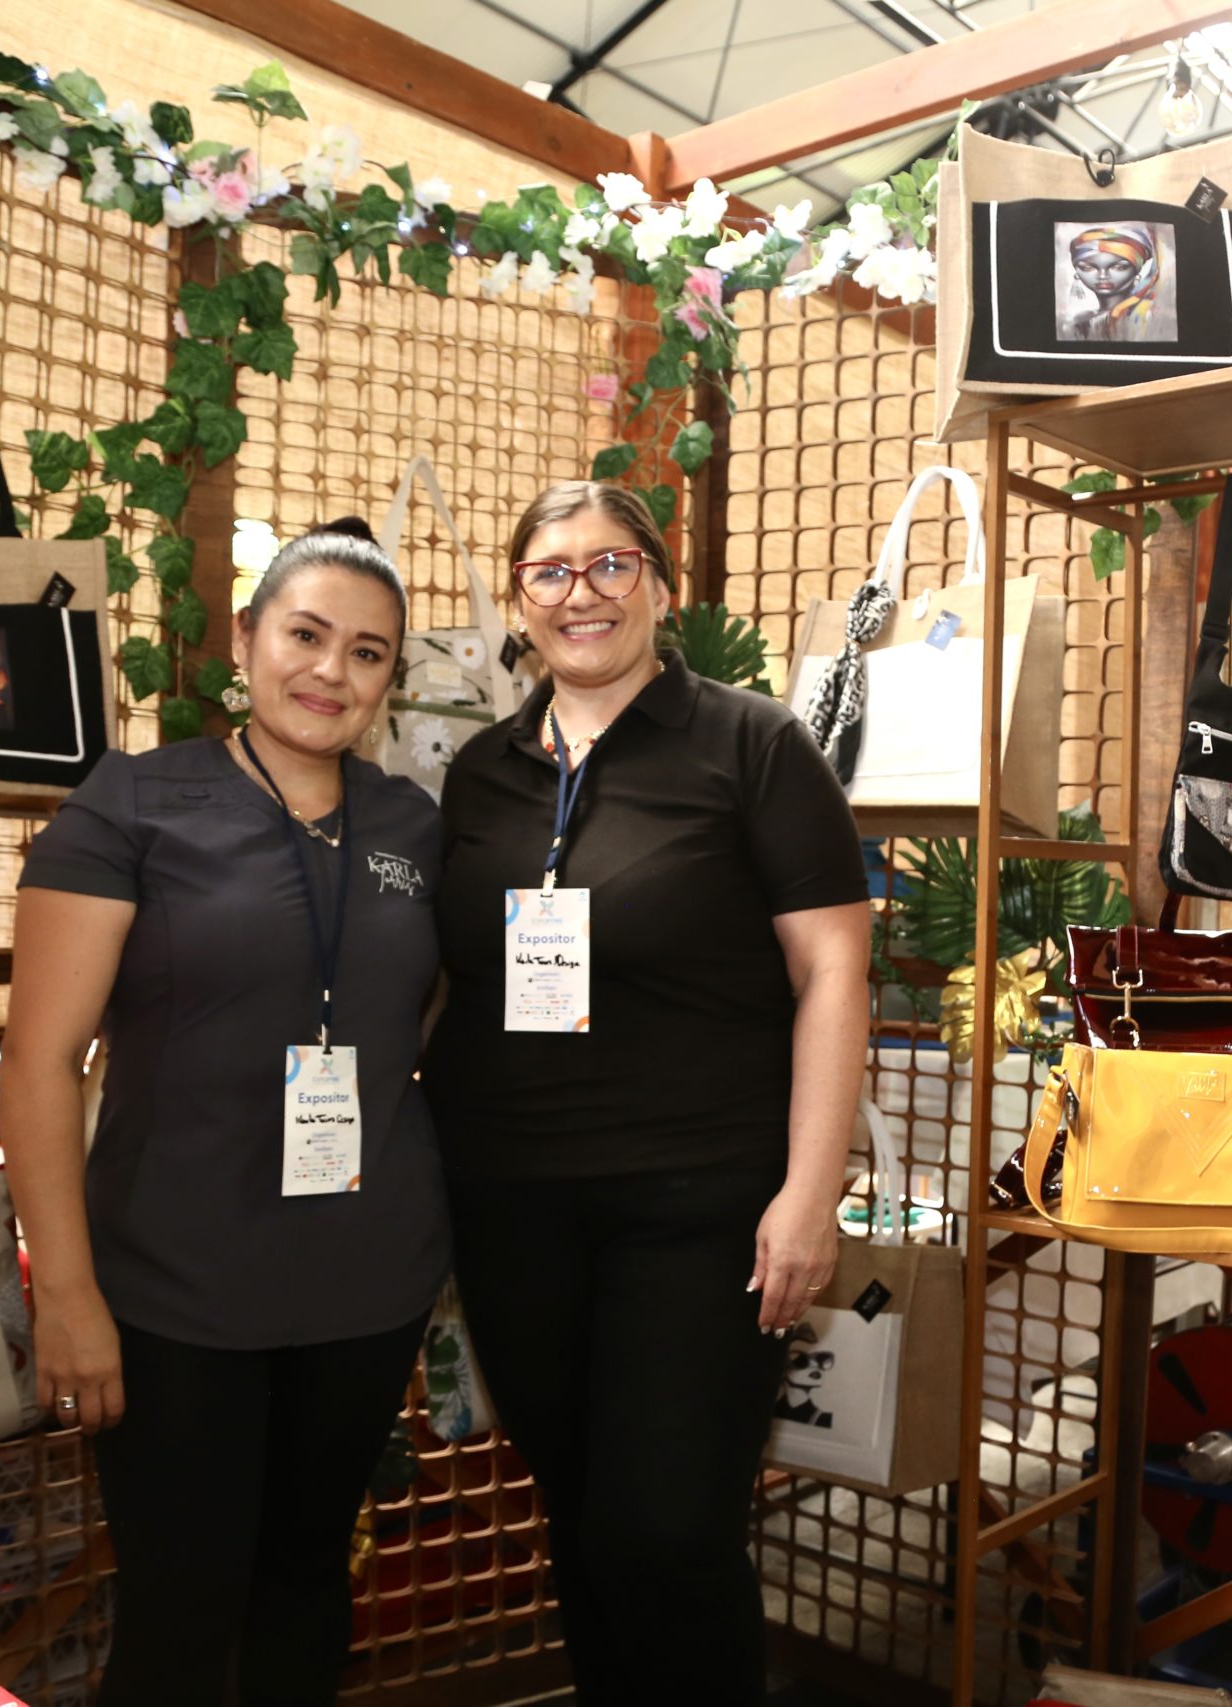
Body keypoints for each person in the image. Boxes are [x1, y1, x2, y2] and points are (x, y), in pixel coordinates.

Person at [423, 481, 870, 1704]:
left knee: (668, 1529)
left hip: (698, 1204)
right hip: (511, 1202)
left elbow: (833, 971)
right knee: (581, 1514)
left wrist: (809, 1194)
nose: (582, 593)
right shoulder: (484, 772)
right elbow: (448, 977)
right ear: (520, 602)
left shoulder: (752, 743)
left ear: (662, 588)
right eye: (551, 571)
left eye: (611, 564)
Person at [2, 518, 447, 1706]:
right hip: (172, 1290)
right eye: (305, 635)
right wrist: (66, 1293)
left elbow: (420, 1021)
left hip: (365, 1284)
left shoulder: (412, 826)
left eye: (366, 653)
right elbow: (38, 1063)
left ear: (389, 681)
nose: (330, 671)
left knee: (306, 1592)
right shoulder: (134, 802)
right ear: (245, 641)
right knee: (180, 1617)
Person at [1064, 223, 1162, 341]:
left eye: (1119, 267)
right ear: (1076, 271)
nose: (1102, 276)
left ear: (1136, 269)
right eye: (1087, 268)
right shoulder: (1079, 322)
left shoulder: (1146, 317)